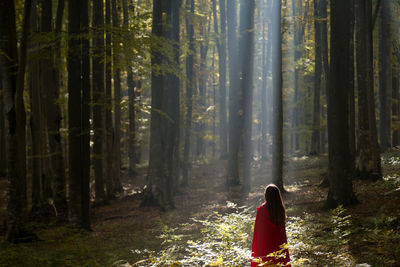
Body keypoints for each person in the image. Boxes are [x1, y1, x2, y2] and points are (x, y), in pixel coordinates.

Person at [251, 184, 290, 266]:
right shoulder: (280, 209)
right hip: (279, 245)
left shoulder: (262, 210)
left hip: (265, 246)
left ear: (266, 195)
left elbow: (258, 232)